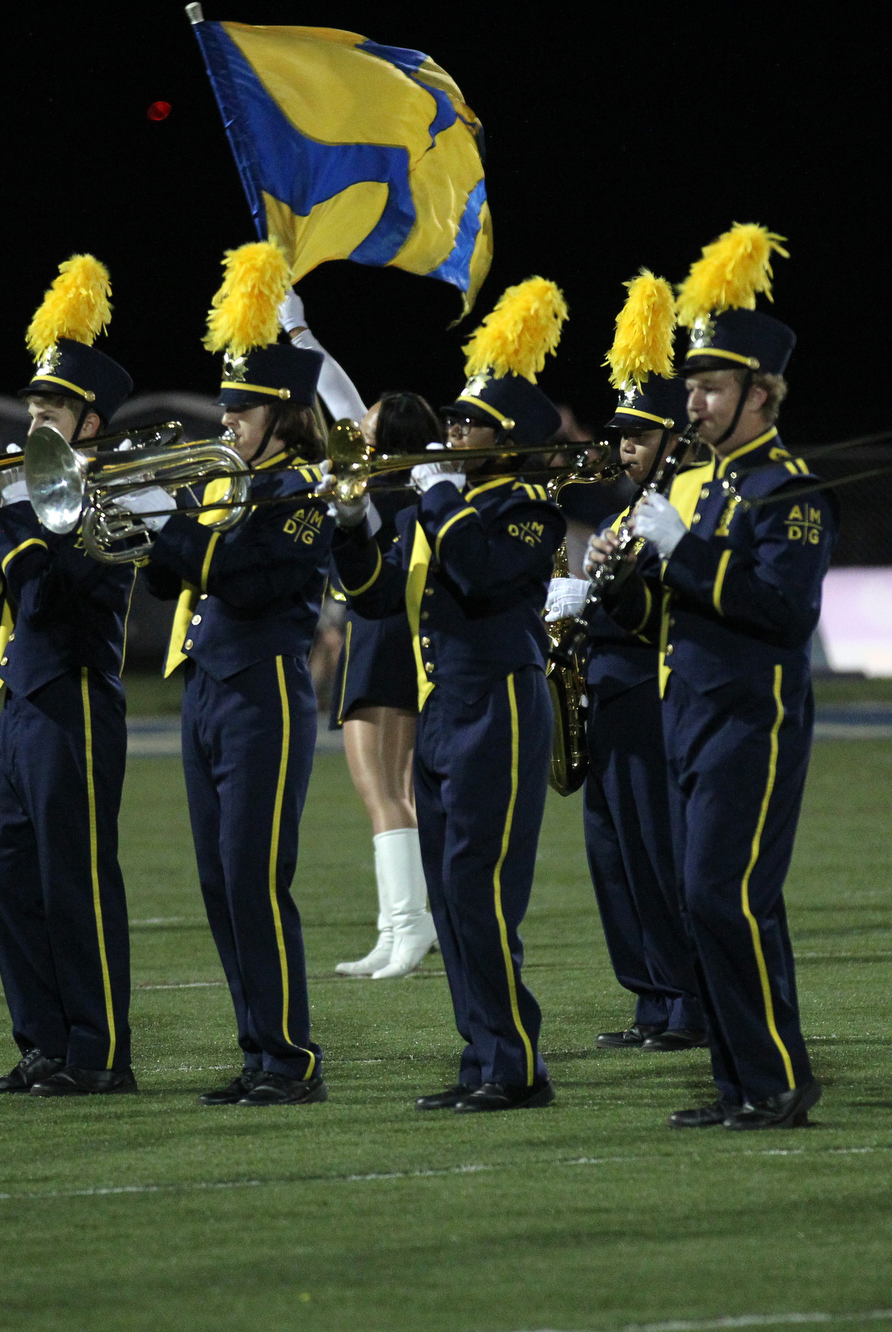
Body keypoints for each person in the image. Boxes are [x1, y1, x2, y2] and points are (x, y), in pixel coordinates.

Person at [591, 226, 833, 1131]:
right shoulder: (721, 487)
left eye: (710, 388)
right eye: (691, 387)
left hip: (752, 714)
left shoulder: (790, 492)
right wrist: (612, 588)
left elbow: (780, 610)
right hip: (690, 712)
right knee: (711, 904)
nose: (691, 404)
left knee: (722, 897)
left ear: (760, 395)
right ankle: (747, 1081)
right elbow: (670, 614)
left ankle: (773, 1080)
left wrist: (681, 552)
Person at [328, 277, 570, 1113]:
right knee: (450, 891)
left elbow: (479, 574)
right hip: (442, 714)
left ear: (506, 444)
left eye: (471, 426)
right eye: (456, 421)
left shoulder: (528, 510)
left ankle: (514, 1064)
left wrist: (438, 497)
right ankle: (483, 1054)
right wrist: (348, 519)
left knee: (480, 890)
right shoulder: (435, 508)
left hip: (499, 708)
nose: (454, 432)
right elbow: (371, 598)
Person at [139, 246, 338, 1106]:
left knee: (255, 878)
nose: (226, 423)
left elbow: (252, 576)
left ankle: (290, 1057)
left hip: (266, 692)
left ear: (284, 414)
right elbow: (162, 576)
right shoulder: (227, 483)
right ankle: (258, 1049)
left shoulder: (301, 490)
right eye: (225, 409)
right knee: (219, 883)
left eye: (241, 410)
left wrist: (176, 530)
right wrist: (153, 523)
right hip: (207, 692)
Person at [0, 255, 140, 1097]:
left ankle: (98, 1052)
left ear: (91, 423)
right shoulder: (27, 498)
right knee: (9, 878)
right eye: (34, 405)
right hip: (20, 699)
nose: (37, 418)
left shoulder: (111, 496)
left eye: (55, 408)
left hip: (72, 693)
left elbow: (56, 584)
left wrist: (7, 518)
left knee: (76, 881)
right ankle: (40, 1043)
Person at [547, 270, 707, 1052]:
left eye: (638, 439)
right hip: (606, 692)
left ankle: (685, 1001)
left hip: (651, 692)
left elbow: (662, 610)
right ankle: (648, 994)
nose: (623, 451)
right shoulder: (624, 509)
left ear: (672, 441)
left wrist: (610, 585)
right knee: (612, 854)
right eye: (621, 439)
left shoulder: (684, 505)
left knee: (656, 848)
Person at [327, 389, 441, 979]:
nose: (355, 431)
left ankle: (411, 922)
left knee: (386, 793)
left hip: (383, 638)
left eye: (366, 427)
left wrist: (301, 337)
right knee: (390, 794)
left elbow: (335, 393)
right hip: (380, 637)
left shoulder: (389, 492)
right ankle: (393, 926)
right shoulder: (407, 488)